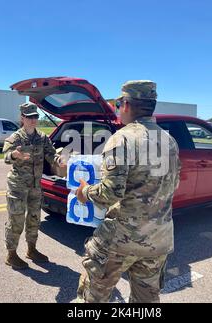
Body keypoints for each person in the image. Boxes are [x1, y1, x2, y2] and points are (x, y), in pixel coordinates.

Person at [74, 80, 181, 303]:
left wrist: (85, 192)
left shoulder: (122, 139)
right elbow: (174, 185)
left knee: (94, 297)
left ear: (126, 104)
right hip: (158, 240)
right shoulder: (169, 141)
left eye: (118, 103)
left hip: (121, 239)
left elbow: (110, 193)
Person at [3, 103, 65, 270]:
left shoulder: (43, 138)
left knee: (34, 218)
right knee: (16, 220)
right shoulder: (16, 137)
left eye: (35, 116)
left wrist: (59, 161)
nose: (33, 120)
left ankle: (31, 249)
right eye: (29, 117)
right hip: (18, 186)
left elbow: (52, 154)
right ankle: (11, 254)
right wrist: (14, 155)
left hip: (35, 186)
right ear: (22, 117)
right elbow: (6, 157)